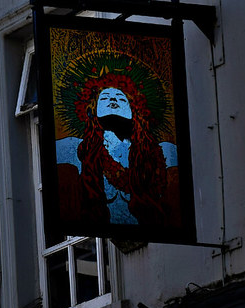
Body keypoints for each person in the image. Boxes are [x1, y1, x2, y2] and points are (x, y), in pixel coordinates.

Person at [55, 72, 179, 228]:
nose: (113, 100)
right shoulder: (79, 149)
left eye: (121, 98)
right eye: (105, 97)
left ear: (134, 110)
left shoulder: (158, 152)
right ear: (93, 109)